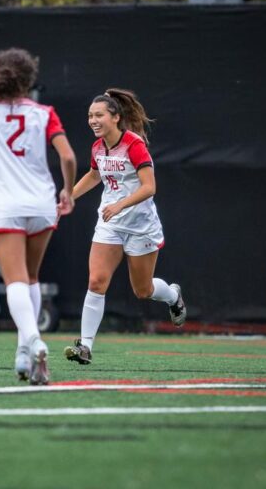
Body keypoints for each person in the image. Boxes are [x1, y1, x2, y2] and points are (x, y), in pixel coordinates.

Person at [0, 47, 76, 385]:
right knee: (32, 278)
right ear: (28, 79)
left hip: (6, 204)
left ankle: (34, 340)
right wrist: (67, 190)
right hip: (41, 203)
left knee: (15, 281)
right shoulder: (44, 113)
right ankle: (24, 353)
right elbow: (67, 156)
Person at [63, 88, 186, 366]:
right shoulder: (97, 147)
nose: (93, 120)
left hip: (141, 225)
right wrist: (67, 196)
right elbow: (95, 175)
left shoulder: (134, 144)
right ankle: (85, 346)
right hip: (110, 224)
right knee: (96, 281)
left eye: (99, 115)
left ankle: (173, 295)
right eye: (90, 116)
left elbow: (149, 187)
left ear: (116, 117)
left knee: (143, 290)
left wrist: (121, 204)